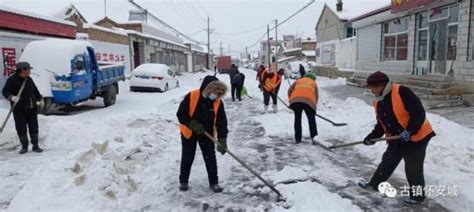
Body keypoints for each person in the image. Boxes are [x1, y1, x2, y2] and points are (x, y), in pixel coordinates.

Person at [358, 71, 435, 205]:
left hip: (418, 136)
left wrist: (409, 131)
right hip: (397, 137)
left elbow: (419, 113)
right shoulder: (378, 102)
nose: (371, 90)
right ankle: (374, 184)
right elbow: (381, 124)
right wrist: (371, 138)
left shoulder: (402, 92)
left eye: (372, 87)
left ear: (381, 85)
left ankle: (417, 196)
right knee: (388, 160)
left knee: (413, 167)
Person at [176, 75, 228, 193]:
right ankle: (183, 181)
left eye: (218, 93)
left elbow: (222, 123)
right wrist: (192, 124)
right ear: (207, 89)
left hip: (207, 132)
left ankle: (214, 183)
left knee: (210, 157)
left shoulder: (218, 102)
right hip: (189, 130)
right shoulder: (192, 96)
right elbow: (180, 114)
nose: (215, 95)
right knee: (188, 156)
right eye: (214, 92)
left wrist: (222, 139)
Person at [2, 62, 44, 154]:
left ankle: (35, 146)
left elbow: (35, 90)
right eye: (28, 69)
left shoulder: (29, 79)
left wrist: (40, 98)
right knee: (21, 128)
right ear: (21, 70)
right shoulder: (12, 80)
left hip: (32, 108)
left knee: (34, 127)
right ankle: (24, 146)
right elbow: (5, 91)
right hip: (19, 109)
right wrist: (11, 97)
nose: (29, 71)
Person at [287, 73, 318, 144]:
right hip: (309, 102)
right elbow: (316, 96)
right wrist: (313, 108)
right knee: (311, 120)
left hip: (296, 101)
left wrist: (291, 101)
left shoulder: (298, 81)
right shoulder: (314, 83)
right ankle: (314, 138)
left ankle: (298, 138)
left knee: (297, 119)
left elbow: (289, 90)